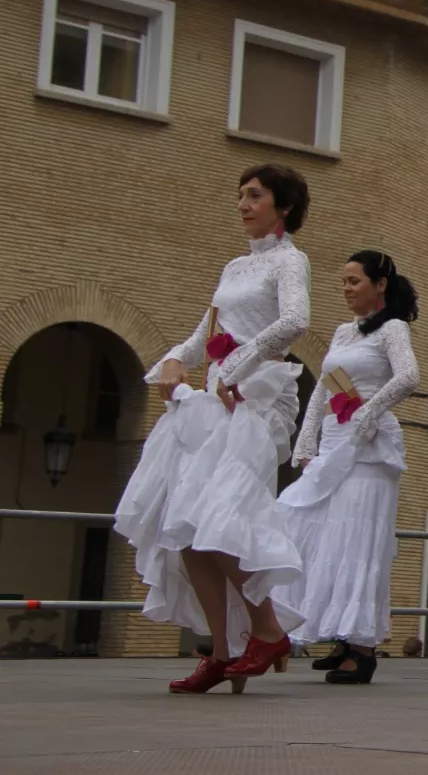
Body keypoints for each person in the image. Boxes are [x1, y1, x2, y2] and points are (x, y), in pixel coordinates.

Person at [113, 164, 313, 694]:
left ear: (283, 206)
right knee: (188, 527)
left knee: (219, 515)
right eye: (240, 195)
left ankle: (268, 631)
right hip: (220, 400)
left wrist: (239, 368)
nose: (243, 204)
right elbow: (207, 331)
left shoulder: (292, 261)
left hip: (261, 399)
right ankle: (222, 653)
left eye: (254, 195)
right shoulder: (232, 267)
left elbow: (295, 321)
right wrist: (173, 362)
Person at [275, 250, 420, 684]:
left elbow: (409, 376)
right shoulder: (342, 332)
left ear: (380, 285)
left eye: (354, 280)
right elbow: (323, 387)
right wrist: (306, 441)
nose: (346, 289)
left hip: (369, 448)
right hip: (335, 441)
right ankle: (341, 636)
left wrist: (370, 412)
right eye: (343, 281)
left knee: (359, 540)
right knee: (323, 533)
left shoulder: (392, 328)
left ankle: (361, 646)